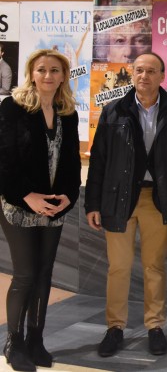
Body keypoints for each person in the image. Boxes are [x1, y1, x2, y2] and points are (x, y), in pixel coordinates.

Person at [85, 52, 167, 358]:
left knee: (155, 266)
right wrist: (93, 203)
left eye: (151, 71)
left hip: (158, 198)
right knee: (118, 267)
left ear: (162, 75)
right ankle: (115, 327)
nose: (144, 76)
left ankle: (155, 327)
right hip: (118, 199)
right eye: (139, 70)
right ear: (132, 73)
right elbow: (99, 160)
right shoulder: (114, 110)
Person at [0, 49, 81, 371]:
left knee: (45, 275)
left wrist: (69, 197)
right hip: (19, 205)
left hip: (53, 207)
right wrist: (26, 196)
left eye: (55, 70)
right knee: (25, 275)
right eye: (42, 69)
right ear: (31, 73)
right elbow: (3, 159)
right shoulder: (13, 107)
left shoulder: (67, 112)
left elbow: (72, 161)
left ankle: (37, 340)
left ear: (63, 76)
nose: (48, 76)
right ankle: (13, 342)